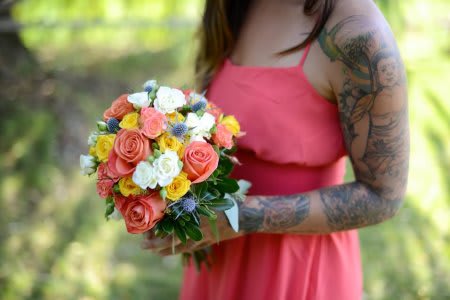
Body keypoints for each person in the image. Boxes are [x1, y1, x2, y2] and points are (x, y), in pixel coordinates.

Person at [141, 0, 409, 299]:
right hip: (219, 259)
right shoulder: (232, 7)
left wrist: (241, 216)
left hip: (298, 268)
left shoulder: (359, 34)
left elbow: (382, 197)